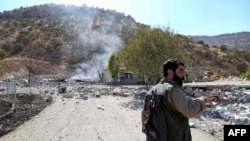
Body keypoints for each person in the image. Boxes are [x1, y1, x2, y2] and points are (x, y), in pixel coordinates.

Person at [142, 59, 213, 141]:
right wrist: (202, 101)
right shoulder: (174, 90)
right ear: (170, 72)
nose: (184, 75)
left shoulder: (151, 91)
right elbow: (190, 111)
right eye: (180, 71)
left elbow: (145, 116)